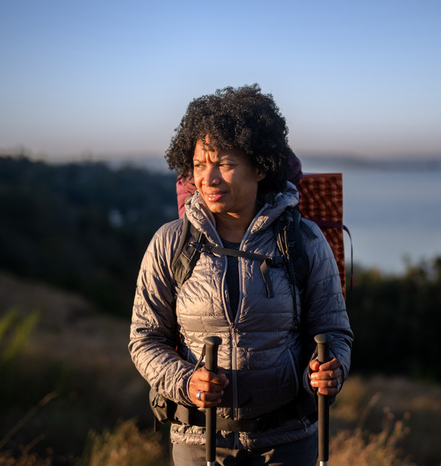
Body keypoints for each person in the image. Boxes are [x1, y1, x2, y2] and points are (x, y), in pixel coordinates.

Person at [129, 84, 353, 465]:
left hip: (287, 440)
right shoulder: (171, 242)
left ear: (261, 166)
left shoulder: (303, 239)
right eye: (200, 165)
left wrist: (329, 371)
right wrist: (186, 382)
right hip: (199, 440)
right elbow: (144, 338)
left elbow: (334, 332)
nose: (209, 179)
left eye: (225, 164)